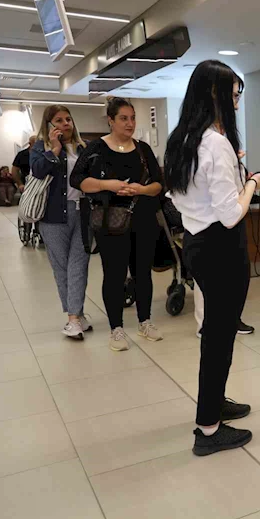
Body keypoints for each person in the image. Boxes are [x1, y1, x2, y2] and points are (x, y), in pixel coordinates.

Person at [166, 60, 260, 456]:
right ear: (216, 95)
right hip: (222, 248)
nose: (237, 103)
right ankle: (208, 429)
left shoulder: (182, 140)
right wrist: (253, 182)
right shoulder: (215, 143)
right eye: (235, 95)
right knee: (218, 338)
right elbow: (231, 213)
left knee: (215, 332)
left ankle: (215, 403)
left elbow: (176, 197)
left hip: (197, 244)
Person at [71, 97, 164, 351]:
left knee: (142, 273)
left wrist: (142, 189)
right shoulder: (96, 149)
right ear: (111, 120)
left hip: (143, 219)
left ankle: (145, 321)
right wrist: (106, 185)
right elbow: (77, 180)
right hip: (110, 222)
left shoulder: (143, 149)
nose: (130, 123)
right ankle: (117, 329)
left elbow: (158, 185)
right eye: (124, 118)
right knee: (114, 274)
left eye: (133, 118)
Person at [29, 106, 91, 339]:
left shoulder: (82, 147)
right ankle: (75, 317)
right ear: (49, 124)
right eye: (59, 120)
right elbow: (36, 171)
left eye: (68, 119)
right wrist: (54, 150)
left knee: (79, 265)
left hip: (82, 214)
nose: (65, 123)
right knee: (62, 268)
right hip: (53, 217)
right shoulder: (41, 146)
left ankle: (75, 315)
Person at [193, 146, 254, 339]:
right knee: (209, 281)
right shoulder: (204, 143)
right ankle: (204, 324)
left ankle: (231, 319)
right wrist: (252, 183)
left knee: (232, 276)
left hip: (231, 221)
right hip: (209, 225)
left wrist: (243, 174)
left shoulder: (223, 142)